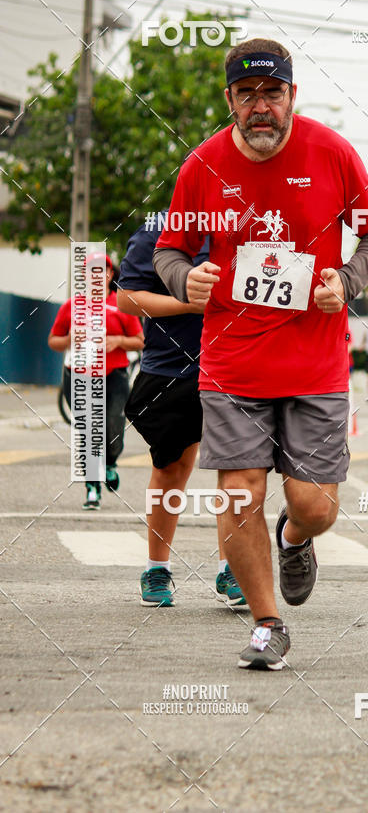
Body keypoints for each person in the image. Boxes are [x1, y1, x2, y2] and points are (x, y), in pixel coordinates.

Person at [153, 37, 368, 670]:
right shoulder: (202, 164)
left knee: (316, 506)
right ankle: (267, 623)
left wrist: (347, 279)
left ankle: (294, 538)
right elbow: (169, 251)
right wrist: (187, 280)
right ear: (229, 98)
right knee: (239, 495)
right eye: (247, 94)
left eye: (273, 92)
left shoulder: (331, 152)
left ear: (293, 95)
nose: (261, 106)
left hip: (314, 362)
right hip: (232, 361)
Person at [117, 219, 247, 609]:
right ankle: (157, 568)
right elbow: (127, 299)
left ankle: (232, 569)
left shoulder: (248, 223)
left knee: (238, 470)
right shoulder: (158, 228)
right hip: (172, 368)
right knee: (172, 467)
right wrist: (188, 304)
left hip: (237, 364)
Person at [48, 254, 144, 509]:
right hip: (78, 376)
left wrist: (118, 341)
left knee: (113, 427)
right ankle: (92, 487)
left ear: (110, 275)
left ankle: (111, 462)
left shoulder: (121, 305)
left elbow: (140, 340)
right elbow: (53, 341)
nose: (96, 276)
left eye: (102, 271)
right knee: (89, 430)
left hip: (114, 376)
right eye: (91, 271)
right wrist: (70, 338)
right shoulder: (71, 307)